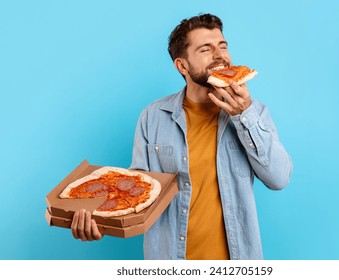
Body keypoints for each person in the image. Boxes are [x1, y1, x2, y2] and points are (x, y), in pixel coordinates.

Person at [71, 13, 293, 260]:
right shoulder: (153, 117)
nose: (220, 55)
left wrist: (244, 115)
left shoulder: (254, 112)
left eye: (223, 46)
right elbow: (136, 195)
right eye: (206, 49)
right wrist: (100, 222)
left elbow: (279, 178)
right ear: (182, 66)